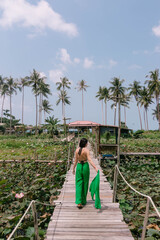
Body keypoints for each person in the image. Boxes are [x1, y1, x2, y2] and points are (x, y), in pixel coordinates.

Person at [72, 138, 98, 209]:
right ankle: (83, 200)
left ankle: (79, 201)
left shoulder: (77, 150)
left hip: (79, 166)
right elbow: (89, 160)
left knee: (78, 184)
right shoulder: (86, 150)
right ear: (86, 144)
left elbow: (76, 161)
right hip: (85, 166)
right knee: (85, 183)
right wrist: (95, 168)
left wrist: (73, 168)